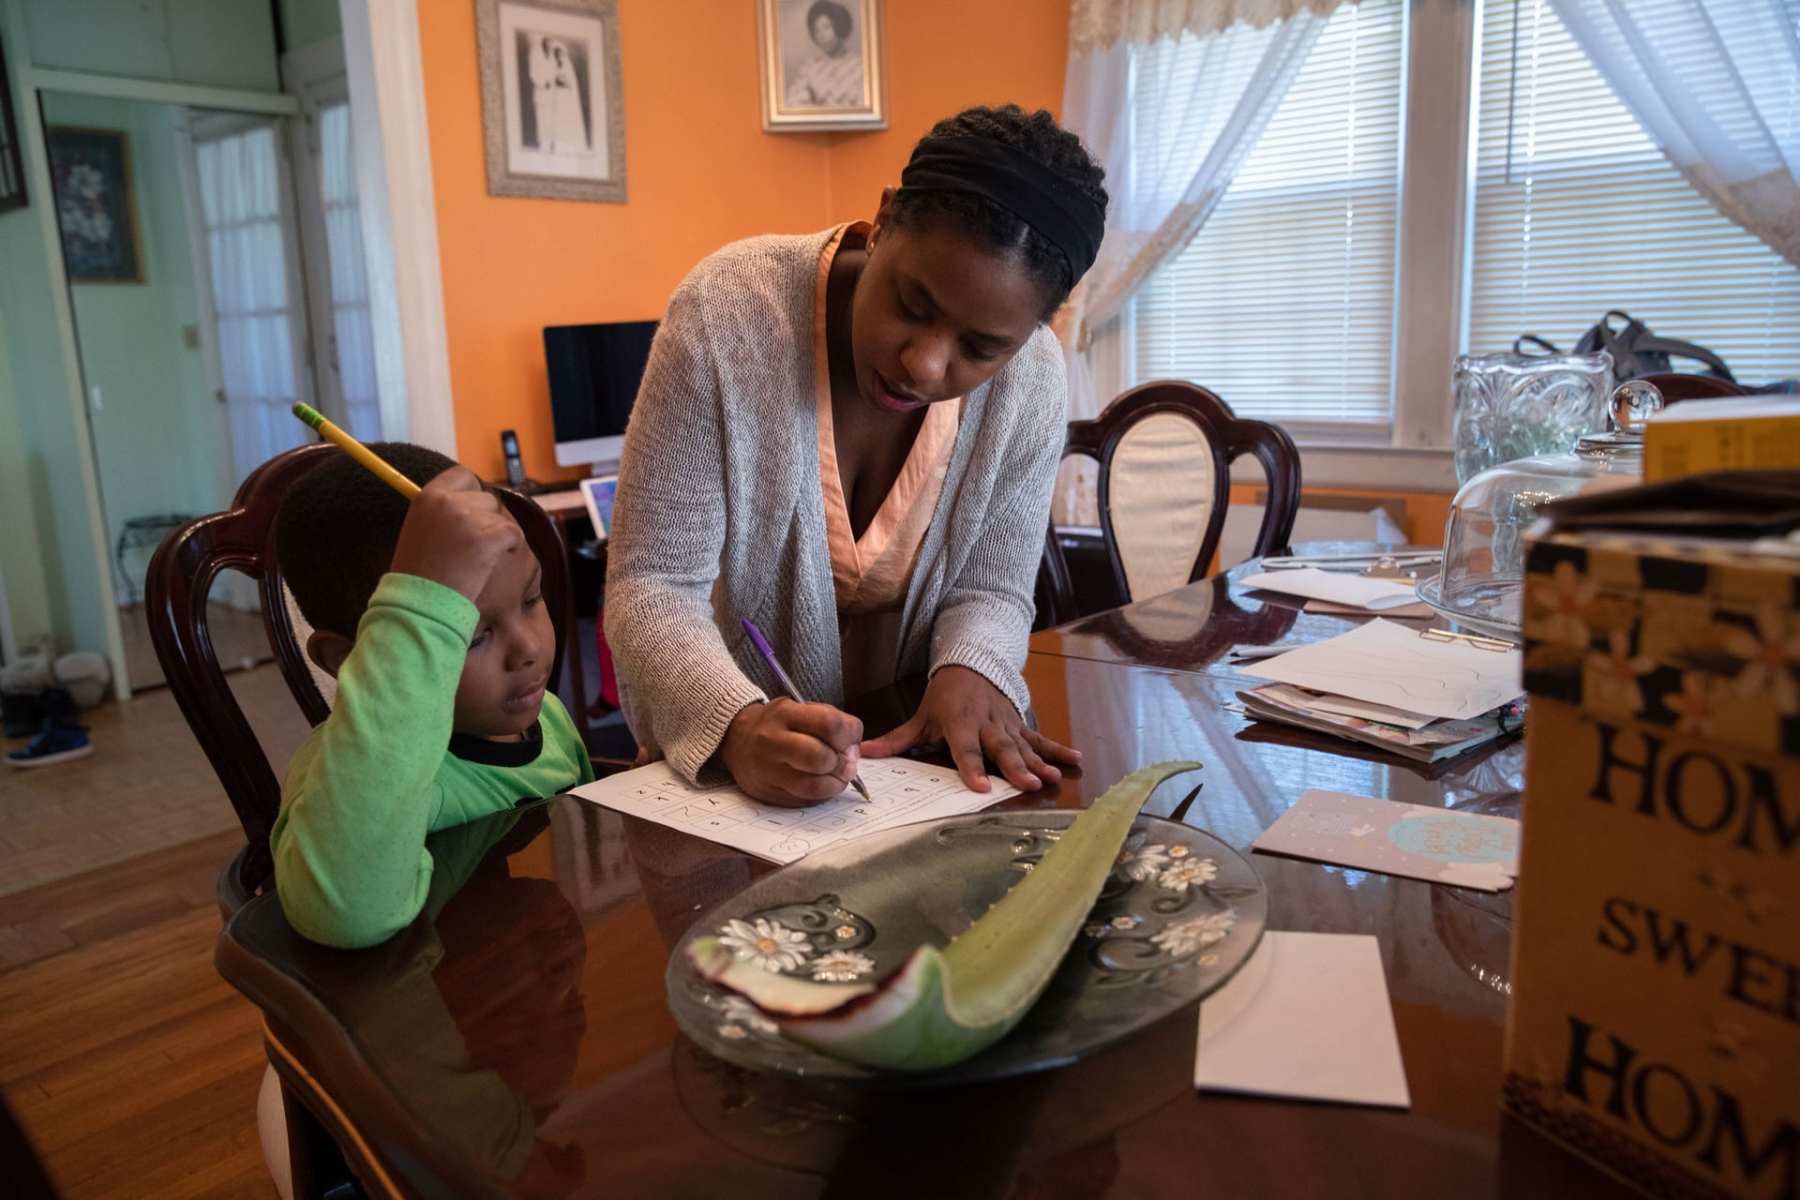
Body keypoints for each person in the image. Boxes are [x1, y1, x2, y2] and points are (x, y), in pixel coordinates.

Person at [605, 104, 1108, 808]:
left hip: (914, 782)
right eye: (912, 303)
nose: (925, 364)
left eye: (981, 348)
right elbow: (652, 586)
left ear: (1028, 335)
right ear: (885, 219)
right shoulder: (728, 316)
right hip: (730, 784)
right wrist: (738, 726)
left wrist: (971, 667)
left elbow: (991, 590)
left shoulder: (1033, 381)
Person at [270, 444, 595, 948]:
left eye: (531, 599)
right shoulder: (342, 781)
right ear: (349, 659)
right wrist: (421, 605)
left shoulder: (547, 718)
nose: (530, 648)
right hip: (434, 1010)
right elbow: (344, 913)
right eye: (472, 637)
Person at [785, 0, 863, 109]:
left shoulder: (859, 66)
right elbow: (794, 103)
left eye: (827, 27)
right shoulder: (809, 68)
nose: (821, 35)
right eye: (817, 30)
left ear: (840, 26)